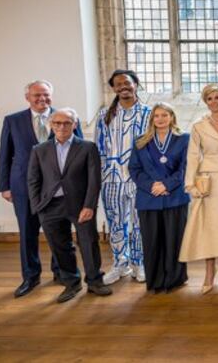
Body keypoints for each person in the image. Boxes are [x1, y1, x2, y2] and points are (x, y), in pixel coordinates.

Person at [0, 80, 82, 297]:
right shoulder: (13, 121)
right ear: (27, 97)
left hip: (59, 188)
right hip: (24, 186)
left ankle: (61, 272)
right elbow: (5, 155)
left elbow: (79, 151)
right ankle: (30, 276)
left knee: (60, 232)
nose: (42, 99)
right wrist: (5, 186)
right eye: (37, 95)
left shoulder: (66, 117)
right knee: (27, 231)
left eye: (46, 94)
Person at [27, 108, 112, 303]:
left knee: (88, 243)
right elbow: (33, 180)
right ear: (51, 125)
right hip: (49, 206)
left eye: (67, 123)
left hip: (80, 204)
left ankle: (94, 281)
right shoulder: (39, 150)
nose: (61, 126)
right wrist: (38, 206)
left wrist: (89, 205)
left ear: (75, 124)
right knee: (60, 246)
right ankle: (71, 282)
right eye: (57, 123)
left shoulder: (88, 148)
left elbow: (94, 180)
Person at [180, 83, 218, 293]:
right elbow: (193, 155)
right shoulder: (198, 125)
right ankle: (209, 270)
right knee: (208, 227)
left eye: (217, 97)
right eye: (209, 99)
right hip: (207, 181)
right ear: (205, 102)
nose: (214, 102)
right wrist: (190, 183)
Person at [128, 102, 190, 293]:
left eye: (164, 115)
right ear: (151, 119)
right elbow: (134, 168)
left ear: (172, 117)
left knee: (174, 239)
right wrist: (151, 185)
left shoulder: (184, 139)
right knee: (152, 241)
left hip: (175, 196)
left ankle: (174, 279)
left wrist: (167, 185)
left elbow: (186, 167)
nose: (160, 119)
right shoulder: (141, 141)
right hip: (149, 197)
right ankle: (155, 280)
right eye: (156, 116)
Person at [96, 69, 151, 285]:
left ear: (136, 84)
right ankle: (120, 263)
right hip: (111, 178)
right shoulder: (104, 115)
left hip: (139, 178)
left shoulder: (148, 113)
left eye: (127, 82)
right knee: (116, 222)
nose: (123, 86)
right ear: (113, 88)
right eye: (118, 84)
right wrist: (102, 174)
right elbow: (100, 147)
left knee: (139, 223)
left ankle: (140, 263)